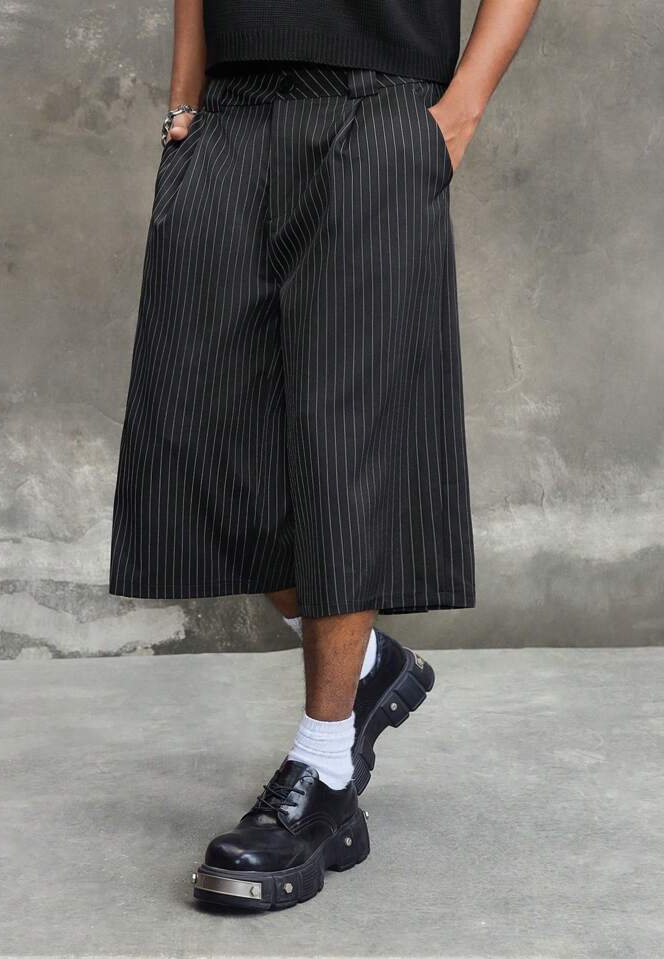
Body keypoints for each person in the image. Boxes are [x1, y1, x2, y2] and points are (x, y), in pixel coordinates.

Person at [109, 0, 540, 910]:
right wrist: (184, 102)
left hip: (376, 107)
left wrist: (459, 110)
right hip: (229, 110)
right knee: (191, 426)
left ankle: (326, 764)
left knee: (343, 443)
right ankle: (368, 662)